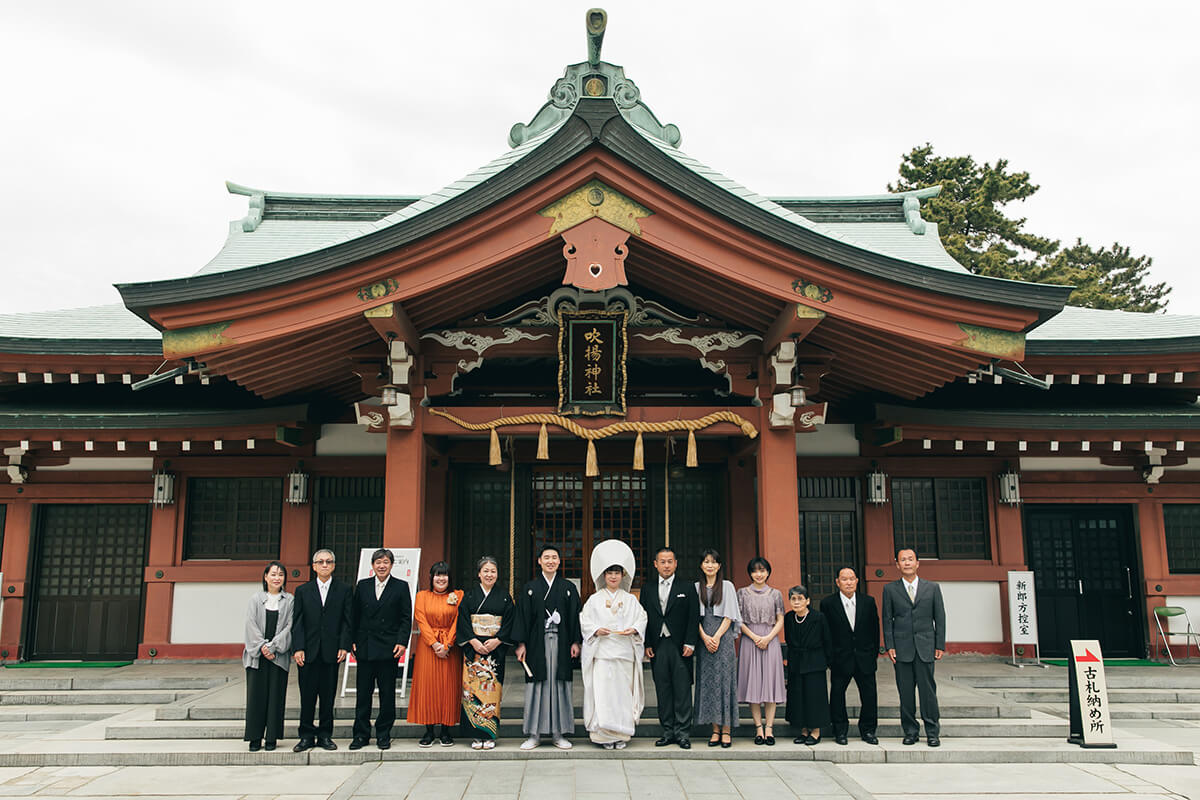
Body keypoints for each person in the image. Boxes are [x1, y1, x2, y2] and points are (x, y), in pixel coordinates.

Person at [513, 544, 582, 750]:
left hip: (561, 642)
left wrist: (576, 642)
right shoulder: (530, 588)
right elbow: (522, 617)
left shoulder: (568, 588)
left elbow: (575, 617)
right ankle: (534, 734)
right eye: (546, 557)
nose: (550, 561)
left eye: (554, 557)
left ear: (559, 562)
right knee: (537, 684)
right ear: (539, 561)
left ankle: (558, 733)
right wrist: (521, 644)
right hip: (536, 643)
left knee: (559, 685)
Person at [580, 539, 648, 749]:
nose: (613, 577)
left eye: (617, 573)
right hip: (602, 653)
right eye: (609, 573)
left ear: (623, 576)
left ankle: (622, 734)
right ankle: (603, 735)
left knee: (622, 696)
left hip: (623, 653)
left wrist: (635, 629)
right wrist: (595, 630)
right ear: (603, 575)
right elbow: (585, 620)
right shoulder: (594, 599)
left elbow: (642, 618)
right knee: (603, 695)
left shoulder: (630, 600)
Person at [348, 548, 412, 751]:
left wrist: (402, 642)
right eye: (378, 562)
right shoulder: (363, 585)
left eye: (385, 562)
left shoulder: (401, 587)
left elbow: (405, 618)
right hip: (365, 647)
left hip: (388, 648)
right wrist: (353, 640)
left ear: (392, 565)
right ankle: (361, 734)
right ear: (372, 565)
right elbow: (354, 616)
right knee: (363, 693)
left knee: (386, 693)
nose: (382, 566)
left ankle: (383, 733)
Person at [882, 547, 946, 747]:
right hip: (902, 648)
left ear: (918, 563)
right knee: (906, 692)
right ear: (897, 564)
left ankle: (932, 731)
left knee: (928, 692)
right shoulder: (890, 589)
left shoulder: (932, 588)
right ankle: (910, 731)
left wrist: (940, 644)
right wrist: (890, 645)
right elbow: (887, 619)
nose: (907, 563)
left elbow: (940, 618)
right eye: (903, 560)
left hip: (926, 646)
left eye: (911, 559)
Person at [290, 548, 352, 753]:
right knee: (307, 696)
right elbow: (297, 622)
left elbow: (347, 621)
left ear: (334, 565)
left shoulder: (344, 590)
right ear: (314, 566)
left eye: (328, 561)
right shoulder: (302, 591)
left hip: (331, 652)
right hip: (307, 652)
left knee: (327, 696)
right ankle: (306, 735)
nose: (325, 565)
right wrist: (298, 647)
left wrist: (344, 645)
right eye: (320, 562)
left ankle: (325, 735)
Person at [641, 546, 699, 749]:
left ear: (676, 563)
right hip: (658, 644)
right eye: (662, 561)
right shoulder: (647, 588)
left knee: (682, 689)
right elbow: (644, 618)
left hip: (680, 644)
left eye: (670, 561)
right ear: (656, 564)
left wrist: (691, 642)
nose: (666, 565)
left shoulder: (688, 587)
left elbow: (694, 617)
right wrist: (647, 643)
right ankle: (667, 731)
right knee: (663, 689)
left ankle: (683, 733)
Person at [457, 555, 515, 751]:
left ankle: (489, 734)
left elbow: (509, 622)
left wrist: (498, 640)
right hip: (473, 651)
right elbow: (463, 622)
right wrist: (473, 641)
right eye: (486, 571)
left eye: (493, 571)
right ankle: (475, 733)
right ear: (478, 574)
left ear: (497, 574)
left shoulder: (505, 597)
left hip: (494, 652)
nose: (489, 574)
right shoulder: (469, 596)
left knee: (491, 693)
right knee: (472, 693)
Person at [819, 566, 880, 745]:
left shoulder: (868, 601)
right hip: (840, 658)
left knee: (869, 695)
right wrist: (830, 658)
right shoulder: (828, 604)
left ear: (857, 581)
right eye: (844, 579)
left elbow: (875, 631)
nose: (848, 582)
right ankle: (840, 731)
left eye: (851, 578)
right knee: (837, 695)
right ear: (837, 582)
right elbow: (826, 634)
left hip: (864, 657)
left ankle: (868, 731)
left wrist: (872, 654)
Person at [407, 561, 464, 747]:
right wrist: (434, 644)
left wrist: (447, 644)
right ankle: (429, 730)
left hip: (450, 648)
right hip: (428, 648)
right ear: (431, 578)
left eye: (445, 575)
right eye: (437, 575)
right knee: (428, 687)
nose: (441, 578)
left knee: (448, 687)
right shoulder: (422, 596)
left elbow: (458, 620)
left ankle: (446, 731)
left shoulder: (458, 595)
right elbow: (421, 620)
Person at [243, 561, 294, 752]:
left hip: (278, 656)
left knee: (275, 696)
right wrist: (262, 646)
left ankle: (271, 737)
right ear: (265, 577)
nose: (277, 578)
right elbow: (250, 625)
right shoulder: (256, 599)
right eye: (273, 574)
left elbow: (290, 626)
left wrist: (273, 647)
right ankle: (255, 737)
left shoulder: (289, 600)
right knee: (256, 696)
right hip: (257, 656)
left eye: (280, 574)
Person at [694, 549, 741, 748]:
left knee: (725, 683)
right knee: (709, 683)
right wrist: (705, 637)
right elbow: (693, 617)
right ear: (701, 565)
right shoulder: (696, 587)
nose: (710, 565)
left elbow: (729, 615)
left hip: (724, 640)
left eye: (714, 562)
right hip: (704, 640)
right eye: (706, 562)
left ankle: (727, 730)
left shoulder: (727, 586)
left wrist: (716, 637)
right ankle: (714, 730)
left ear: (719, 566)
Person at [736, 557, 785, 746]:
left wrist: (768, 637)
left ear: (768, 572)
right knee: (753, 683)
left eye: (763, 570)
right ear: (750, 573)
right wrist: (755, 637)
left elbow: (780, 619)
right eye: (755, 571)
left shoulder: (775, 594)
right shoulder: (742, 593)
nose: (759, 574)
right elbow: (738, 620)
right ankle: (758, 728)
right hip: (750, 641)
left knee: (770, 683)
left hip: (770, 640)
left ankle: (770, 728)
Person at [784, 584, 831, 745]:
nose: (796, 602)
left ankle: (816, 731)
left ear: (807, 600)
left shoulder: (819, 617)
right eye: (793, 599)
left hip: (814, 662)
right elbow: (789, 641)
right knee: (798, 696)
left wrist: (826, 662)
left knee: (814, 697)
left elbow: (827, 640)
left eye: (800, 599)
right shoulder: (789, 617)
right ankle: (803, 730)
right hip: (796, 662)